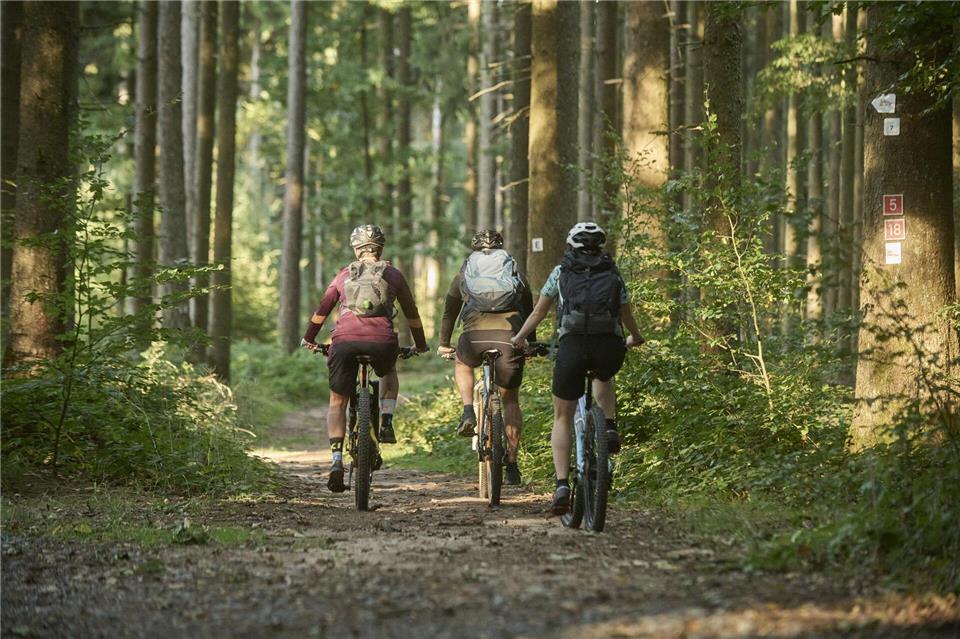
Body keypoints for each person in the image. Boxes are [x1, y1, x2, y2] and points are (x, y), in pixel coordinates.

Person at [510, 222, 643, 514]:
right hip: (608, 346)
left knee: (562, 417)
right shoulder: (612, 272)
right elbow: (625, 312)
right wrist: (635, 335)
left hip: (572, 348)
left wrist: (519, 339)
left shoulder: (561, 272)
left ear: (571, 246)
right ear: (601, 246)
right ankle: (607, 426)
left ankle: (561, 485)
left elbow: (538, 312)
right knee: (604, 374)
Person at [301, 224, 429, 493]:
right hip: (382, 342)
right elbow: (411, 313)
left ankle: (336, 459)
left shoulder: (344, 275)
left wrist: (309, 338)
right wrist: (420, 345)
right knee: (389, 375)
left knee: (337, 401)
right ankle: (386, 421)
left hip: (344, 342)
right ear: (380, 248)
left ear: (356, 249)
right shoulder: (392, 274)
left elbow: (322, 311)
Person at [437, 229, 534, 486]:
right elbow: (530, 310)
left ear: (474, 250)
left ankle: (468, 411)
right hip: (509, 338)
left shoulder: (463, 274)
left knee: (462, 362)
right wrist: (531, 343)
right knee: (510, 398)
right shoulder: (514, 273)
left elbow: (449, 313)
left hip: (474, 338)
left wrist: (444, 344)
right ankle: (511, 463)